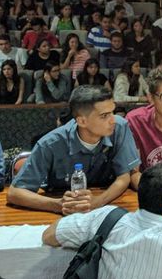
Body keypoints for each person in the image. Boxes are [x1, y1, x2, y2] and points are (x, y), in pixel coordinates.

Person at [8, 85, 140, 214]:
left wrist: (97, 202)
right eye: (104, 115)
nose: (113, 120)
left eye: (113, 112)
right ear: (82, 121)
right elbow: (14, 193)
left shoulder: (120, 127)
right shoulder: (50, 143)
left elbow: (124, 177)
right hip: (62, 209)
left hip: (106, 206)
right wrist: (58, 205)